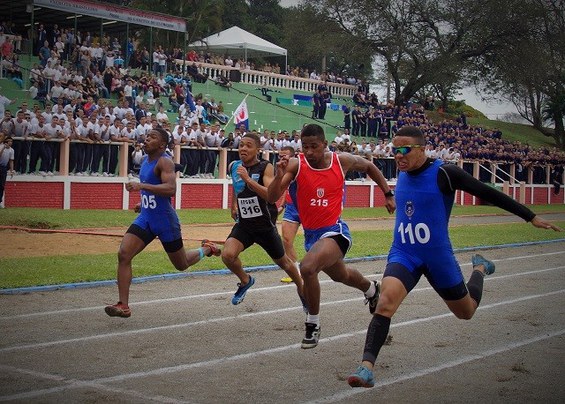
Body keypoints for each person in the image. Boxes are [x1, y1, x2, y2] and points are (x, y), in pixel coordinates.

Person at [347, 125, 562, 388]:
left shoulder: (445, 173)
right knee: (385, 303)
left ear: (422, 149)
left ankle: (480, 268)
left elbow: (487, 193)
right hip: (405, 252)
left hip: (438, 257)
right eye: (394, 150)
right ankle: (366, 367)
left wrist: (530, 216)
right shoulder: (401, 173)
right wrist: (389, 196)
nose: (398, 156)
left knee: (466, 311)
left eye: (404, 150)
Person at [267, 124, 396, 349]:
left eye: (314, 147)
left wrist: (387, 193)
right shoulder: (296, 165)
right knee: (341, 275)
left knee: (307, 268)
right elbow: (271, 197)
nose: (308, 152)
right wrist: (278, 177)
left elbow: (369, 167)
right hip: (313, 236)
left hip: (336, 231)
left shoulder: (341, 161)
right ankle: (372, 289)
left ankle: (313, 323)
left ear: (325, 145)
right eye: (304, 147)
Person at [105, 128, 221, 318]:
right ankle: (123, 305)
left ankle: (207, 249)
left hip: (165, 221)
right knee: (124, 254)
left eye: (152, 137)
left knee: (181, 264)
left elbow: (170, 188)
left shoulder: (165, 161)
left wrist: (141, 186)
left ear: (162, 144)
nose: (147, 138)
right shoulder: (144, 160)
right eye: (147, 135)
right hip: (147, 218)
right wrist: (142, 203)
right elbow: (153, 190)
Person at [222, 133, 306, 308]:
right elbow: (236, 187)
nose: (243, 148)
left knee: (284, 263)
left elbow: (270, 195)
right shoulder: (234, 166)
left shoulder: (265, 167)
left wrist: (247, 179)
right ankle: (245, 281)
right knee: (228, 255)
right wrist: (233, 205)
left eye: (248, 146)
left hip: (264, 226)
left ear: (258, 149)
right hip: (245, 225)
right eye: (241, 145)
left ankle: (302, 289)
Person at [278, 146, 301, 283]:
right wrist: (282, 204)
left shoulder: (301, 167)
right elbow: (285, 189)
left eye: (285, 156)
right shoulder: (282, 169)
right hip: (292, 208)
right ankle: (295, 272)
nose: (282, 158)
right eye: (280, 156)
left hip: (307, 208)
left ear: (293, 157)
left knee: (316, 242)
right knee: (286, 240)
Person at [0, 137, 15, 207]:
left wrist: (11, 170)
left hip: (3, 168)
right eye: (9, 141)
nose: (10, 143)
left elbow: (11, 161)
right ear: (6, 142)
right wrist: (3, 148)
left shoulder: (12, 150)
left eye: (11, 141)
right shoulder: (1, 147)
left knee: (2, 185)